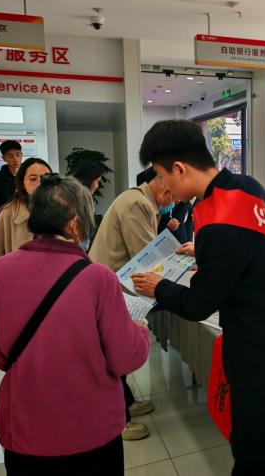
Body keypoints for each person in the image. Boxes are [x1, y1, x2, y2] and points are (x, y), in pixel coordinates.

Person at [130, 119, 265, 476]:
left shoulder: (215, 221)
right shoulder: (247, 186)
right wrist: (203, 250)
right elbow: (249, 250)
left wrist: (159, 287)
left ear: (180, 169)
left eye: (163, 176)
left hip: (259, 347)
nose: (165, 187)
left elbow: (198, 304)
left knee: (253, 450)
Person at [0, 174, 150, 475]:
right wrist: (140, 330)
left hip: (24, 431)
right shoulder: (99, 278)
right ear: (77, 225)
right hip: (93, 433)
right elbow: (125, 359)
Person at [89, 171, 173, 441]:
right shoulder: (138, 203)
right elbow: (147, 257)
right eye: (175, 197)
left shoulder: (141, 201)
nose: (173, 204)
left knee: (116, 351)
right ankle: (117, 420)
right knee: (113, 353)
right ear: (166, 191)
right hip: (112, 289)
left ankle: (126, 402)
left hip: (116, 286)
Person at [0, 158, 51, 261]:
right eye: (33, 179)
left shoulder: (63, 210)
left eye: (45, 178)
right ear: (22, 183)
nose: (39, 184)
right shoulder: (8, 213)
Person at [0, 140, 22, 245]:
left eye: (18, 155)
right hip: (7, 227)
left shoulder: (29, 176)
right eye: (11, 156)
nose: (15, 159)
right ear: (4, 158)